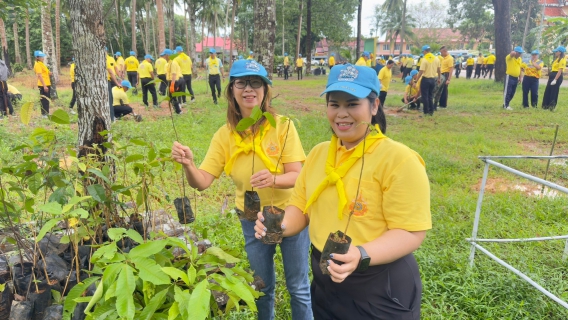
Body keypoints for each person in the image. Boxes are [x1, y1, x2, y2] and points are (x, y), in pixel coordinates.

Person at [253, 64, 431, 319]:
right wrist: (279, 226)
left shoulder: (399, 160)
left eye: (352, 104)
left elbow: (411, 231)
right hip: (326, 277)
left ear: (374, 106)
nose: (342, 114)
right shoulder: (318, 154)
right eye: (334, 104)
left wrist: (361, 254)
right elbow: (300, 209)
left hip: (378, 281)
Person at [171, 59, 312, 320]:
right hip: (251, 217)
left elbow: (298, 176)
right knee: (262, 286)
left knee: (298, 287)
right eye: (241, 82)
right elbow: (202, 182)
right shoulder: (225, 135)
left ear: (265, 90)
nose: (249, 88)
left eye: (255, 82)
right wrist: (189, 165)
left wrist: (273, 179)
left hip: (291, 213)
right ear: (231, 90)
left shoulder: (282, 126)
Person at [417, 45, 441, 116]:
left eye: (423, 52)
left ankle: (426, 112)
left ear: (425, 51)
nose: (423, 53)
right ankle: (431, 111)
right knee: (430, 96)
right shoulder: (436, 59)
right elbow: (439, 70)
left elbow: (421, 71)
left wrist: (416, 80)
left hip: (425, 80)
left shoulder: (424, 59)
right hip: (433, 80)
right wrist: (439, 78)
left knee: (425, 96)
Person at [542, 46, 566, 110]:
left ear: (560, 52)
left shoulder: (562, 60)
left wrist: (555, 79)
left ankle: (551, 107)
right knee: (548, 90)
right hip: (552, 75)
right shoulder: (556, 59)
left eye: (556, 51)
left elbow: (560, 71)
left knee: (554, 92)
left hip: (557, 76)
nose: (555, 52)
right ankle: (545, 105)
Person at [503, 46, 524, 110]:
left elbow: (520, 68)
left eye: (521, 53)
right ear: (515, 52)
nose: (520, 54)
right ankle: (506, 105)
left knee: (512, 92)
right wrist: (513, 52)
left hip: (515, 78)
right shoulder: (509, 58)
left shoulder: (520, 59)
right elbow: (511, 54)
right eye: (519, 53)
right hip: (509, 77)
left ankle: (507, 104)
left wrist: (520, 77)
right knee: (508, 92)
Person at [163, 49, 183, 114]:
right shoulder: (169, 63)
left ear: (168, 55)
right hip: (170, 81)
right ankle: (177, 110)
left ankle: (178, 111)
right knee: (171, 97)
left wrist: (172, 84)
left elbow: (174, 74)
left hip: (173, 82)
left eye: (165, 55)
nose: (164, 57)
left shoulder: (173, 63)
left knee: (172, 97)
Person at [34, 50, 51, 118]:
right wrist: (44, 86)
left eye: (43, 57)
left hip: (47, 83)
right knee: (43, 99)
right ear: (37, 57)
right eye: (41, 57)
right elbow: (40, 76)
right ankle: (43, 114)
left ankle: (47, 112)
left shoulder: (42, 64)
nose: (43, 58)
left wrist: (49, 73)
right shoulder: (37, 64)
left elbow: (45, 72)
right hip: (42, 85)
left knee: (47, 99)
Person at [106, 47, 122, 122]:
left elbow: (115, 69)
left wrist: (119, 78)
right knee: (110, 98)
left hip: (112, 79)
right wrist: (118, 82)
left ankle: (115, 115)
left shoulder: (111, 58)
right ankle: (112, 118)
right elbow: (112, 71)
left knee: (112, 97)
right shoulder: (106, 59)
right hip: (109, 79)